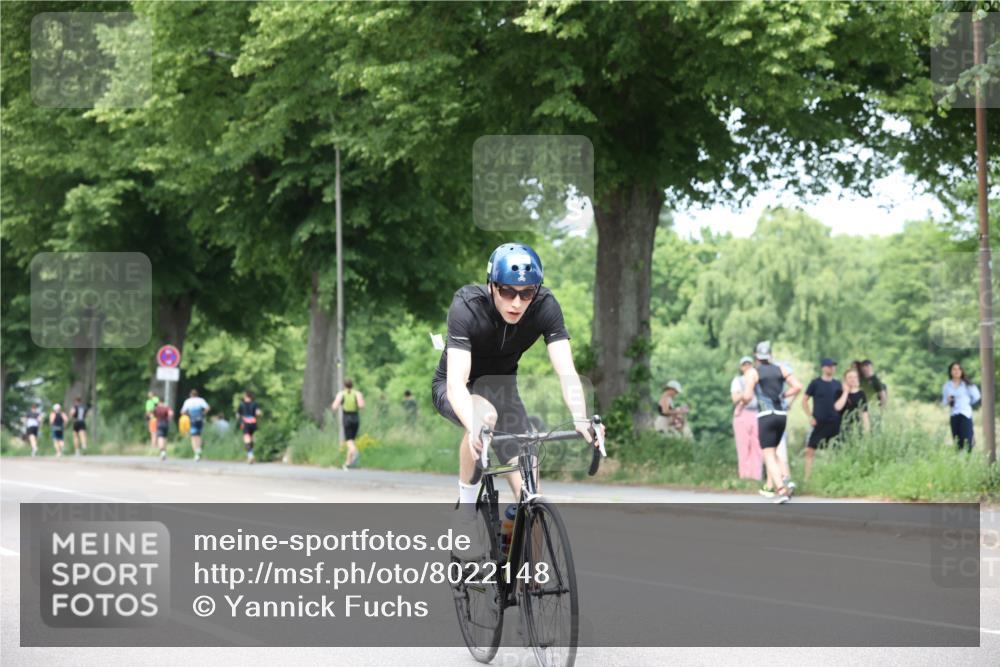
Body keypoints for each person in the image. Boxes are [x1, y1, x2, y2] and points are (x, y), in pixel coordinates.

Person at [431, 243, 603, 554]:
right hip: (458, 386)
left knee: (530, 487)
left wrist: (580, 415)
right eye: (508, 292)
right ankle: (466, 513)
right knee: (483, 416)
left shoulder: (546, 305)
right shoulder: (467, 305)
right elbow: (457, 381)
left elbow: (567, 371)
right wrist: (473, 421)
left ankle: (530, 580)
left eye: (526, 293)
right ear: (491, 285)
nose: (517, 302)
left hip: (504, 391)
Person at [739, 341, 802, 504]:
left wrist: (741, 400)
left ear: (756, 357)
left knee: (767, 453)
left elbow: (746, 396)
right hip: (781, 415)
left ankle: (782, 491)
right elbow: (797, 386)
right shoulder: (781, 369)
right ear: (770, 355)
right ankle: (787, 480)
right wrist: (783, 396)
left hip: (766, 415)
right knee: (774, 451)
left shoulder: (753, 372)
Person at [802, 358, 843, 480]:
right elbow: (804, 401)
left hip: (834, 422)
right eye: (830, 366)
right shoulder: (815, 383)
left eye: (833, 366)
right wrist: (810, 416)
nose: (832, 368)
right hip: (818, 422)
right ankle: (807, 478)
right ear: (823, 368)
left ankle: (831, 476)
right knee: (810, 450)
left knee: (834, 451)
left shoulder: (837, 384)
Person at [730, 357, 763, 480]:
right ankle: (744, 476)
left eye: (749, 364)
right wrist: (745, 395)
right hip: (742, 413)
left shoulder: (757, 380)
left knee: (757, 446)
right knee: (743, 446)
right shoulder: (738, 380)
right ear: (741, 367)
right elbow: (735, 398)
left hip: (756, 412)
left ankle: (756, 477)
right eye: (744, 364)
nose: (747, 366)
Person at [943, 362, 981, 452]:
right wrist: (949, 399)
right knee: (957, 440)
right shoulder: (947, 385)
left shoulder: (967, 384)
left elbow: (977, 396)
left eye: (958, 369)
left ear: (962, 371)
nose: (956, 371)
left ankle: (968, 459)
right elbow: (944, 401)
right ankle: (959, 461)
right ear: (950, 371)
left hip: (965, 413)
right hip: (954, 414)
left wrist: (968, 403)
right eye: (954, 369)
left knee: (967, 439)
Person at [331, 379, 365, 470]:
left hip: (347, 417)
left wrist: (340, 404)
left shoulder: (341, 394)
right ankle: (347, 463)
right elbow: (361, 406)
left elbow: (334, 406)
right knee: (352, 440)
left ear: (344, 386)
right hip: (356, 417)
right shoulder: (357, 393)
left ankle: (355, 452)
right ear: (352, 385)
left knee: (349, 440)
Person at [835, 365, 870, 437]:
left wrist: (867, 431)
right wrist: (846, 392)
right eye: (850, 377)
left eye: (855, 377)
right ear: (845, 379)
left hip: (856, 429)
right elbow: (837, 408)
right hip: (841, 429)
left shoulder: (861, 394)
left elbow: (865, 414)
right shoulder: (839, 392)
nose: (853, 379)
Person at [180, 388, 211, 462]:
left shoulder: (188, 401)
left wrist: (188, 415)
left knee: (193, 437)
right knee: (198, 435)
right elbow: (207, 408)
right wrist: (203, 413)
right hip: (200, 419)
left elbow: (182, 411)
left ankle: (196, 453)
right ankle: (199, 449)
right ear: (197, 394)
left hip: (192, 420)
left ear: (191, 395)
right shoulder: (201, 400)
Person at [237, 391, 262, 464]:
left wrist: (240, 419)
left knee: (246, 439)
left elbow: (238, 415)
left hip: (246, 423)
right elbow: (258, 413)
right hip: (253, 422)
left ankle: (250, 455)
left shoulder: (241, 404)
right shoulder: (255, 403)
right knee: (250, 438)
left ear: (245, 396)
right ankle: (250, 455)